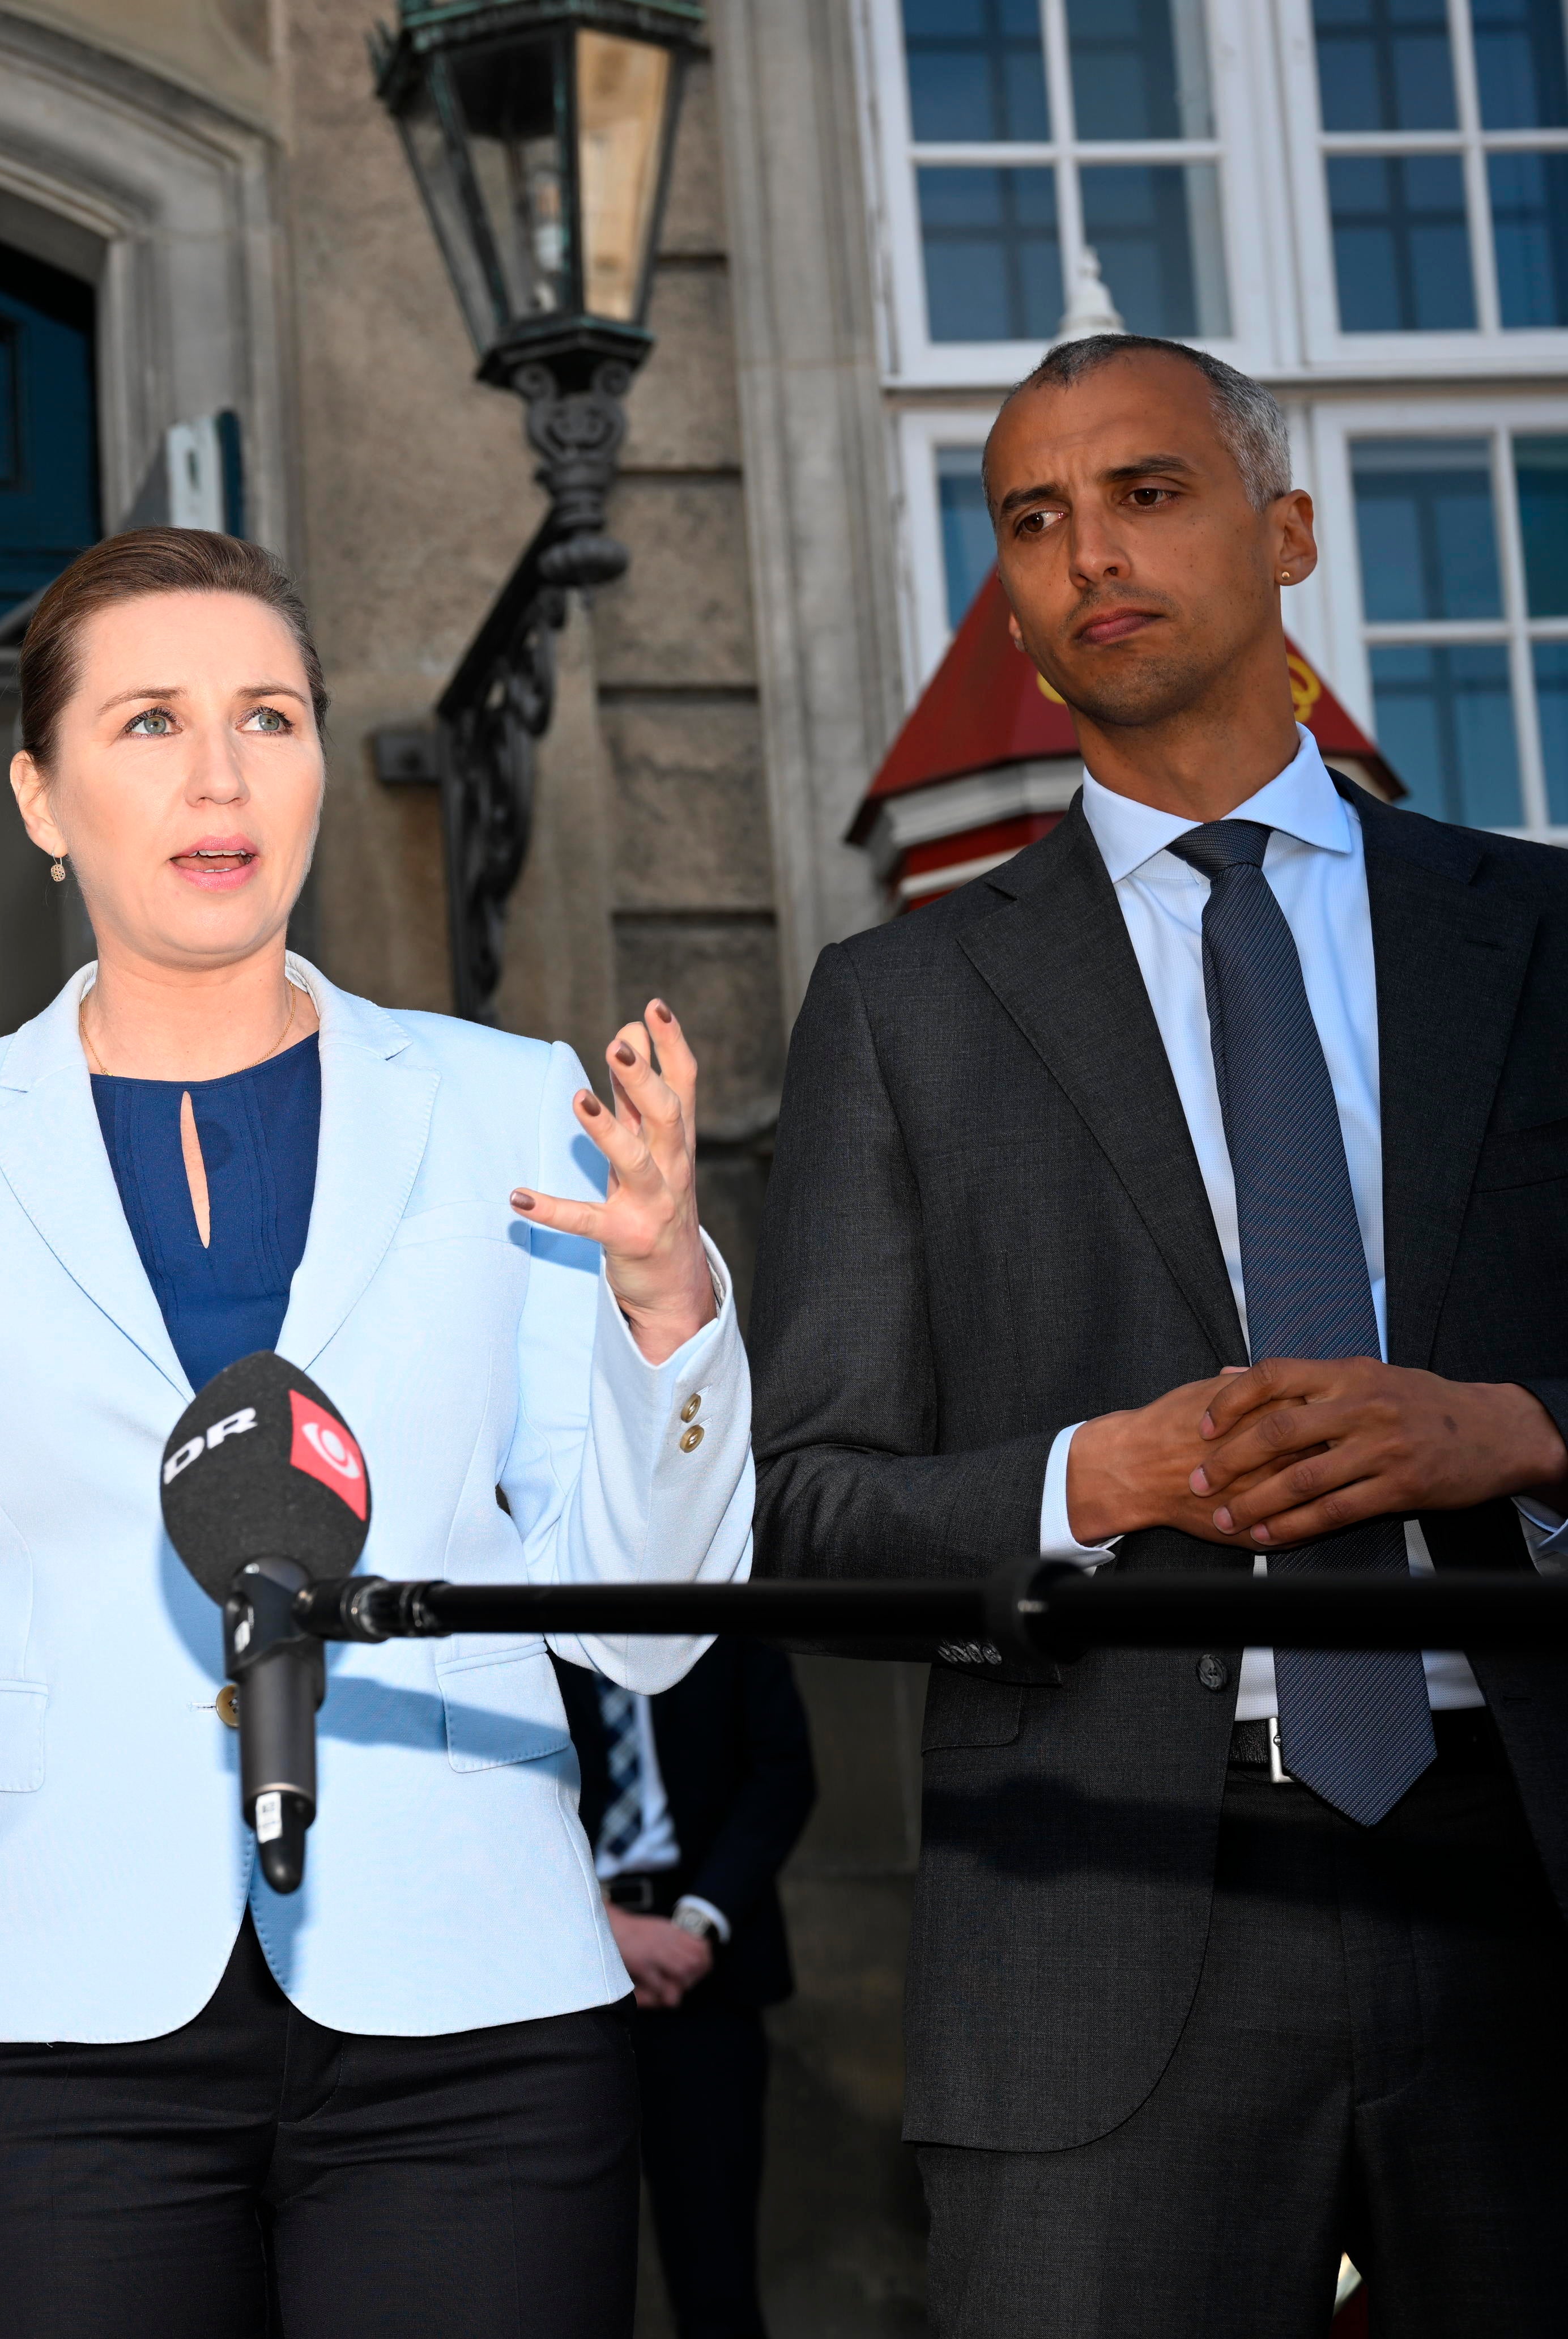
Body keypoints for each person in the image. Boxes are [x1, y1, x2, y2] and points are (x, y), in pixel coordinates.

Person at [0, 526, 754, 2338]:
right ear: (41, 797)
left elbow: (651, 1621)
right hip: (43, 2022)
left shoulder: (505, 1104)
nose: (220, 774)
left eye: (267, 716)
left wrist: (667, 1304)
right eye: (149, 722)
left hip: (469, 2009)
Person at [753, 334, 1568, 2334]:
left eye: (1146, 491)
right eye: (1029, 519)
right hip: (1101, 1911)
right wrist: (1083, 1482)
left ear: (1284, 531)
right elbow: (806, 1515)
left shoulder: (1540, 940)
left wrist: (1518, 1434)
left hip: (1527, 1874)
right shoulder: (901, 1007)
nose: (1085, 552)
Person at [554, 1640, 815, 2339]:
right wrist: (604, 1925)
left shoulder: (721, 1595)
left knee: (717, 2276)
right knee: (544, 2272)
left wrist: (698, 1926)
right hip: (554, 1975)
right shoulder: (515, 1606)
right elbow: (488, 1793)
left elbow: (783, 1769)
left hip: (706, 1971)